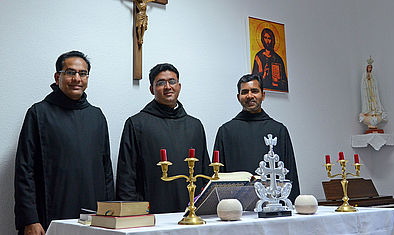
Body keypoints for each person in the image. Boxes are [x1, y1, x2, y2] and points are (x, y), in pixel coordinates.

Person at [14, 51, 114, 235]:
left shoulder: (97, 116)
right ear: (57, 76)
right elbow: (24, 170)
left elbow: (106, 171)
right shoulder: (38, 113)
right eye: (70, 72)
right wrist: (30, 219)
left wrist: (110, 215)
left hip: (93, 219)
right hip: (47, 217)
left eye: (82, 73)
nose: (77, 78)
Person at [116, 63, 211, 213]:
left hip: (193, 212)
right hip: (151, 212)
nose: (168, 87)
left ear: (179, 86)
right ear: (151, 89)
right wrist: (131, 214)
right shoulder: (136, 124)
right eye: (160, 83)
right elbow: (127, 175)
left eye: (172, 81)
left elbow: (205, 172)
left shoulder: (195, 125)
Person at [213, 74, 299, 202]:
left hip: (274, 205)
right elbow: (218, 177)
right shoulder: (225, 132)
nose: (249, 96)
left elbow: (290, 173)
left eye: (254, 91)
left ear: (263, 95)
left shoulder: (279, 130)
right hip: (236, 209)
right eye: (244, 92)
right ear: (238, 97)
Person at [252, 28, 288, 92]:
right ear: (262, 39)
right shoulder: (259, 57)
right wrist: (264, 75)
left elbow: (285, 83)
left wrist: (278, 81)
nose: (267, 41)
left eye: (269, 38)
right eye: (265, 38)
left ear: (273, 40)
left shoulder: (278, 59)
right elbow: (254, 81)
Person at [359, 57, 387, 129]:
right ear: (366, 68)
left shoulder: (373, 76)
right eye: (368, 68)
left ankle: (374, 111)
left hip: (372, 92)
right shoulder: (364, 76)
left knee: (374, 102)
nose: (369, 69)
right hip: (367, 93)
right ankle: (369, 112)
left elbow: (375, 84)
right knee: (368, 102)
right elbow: (363, 85)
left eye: (370, 68)